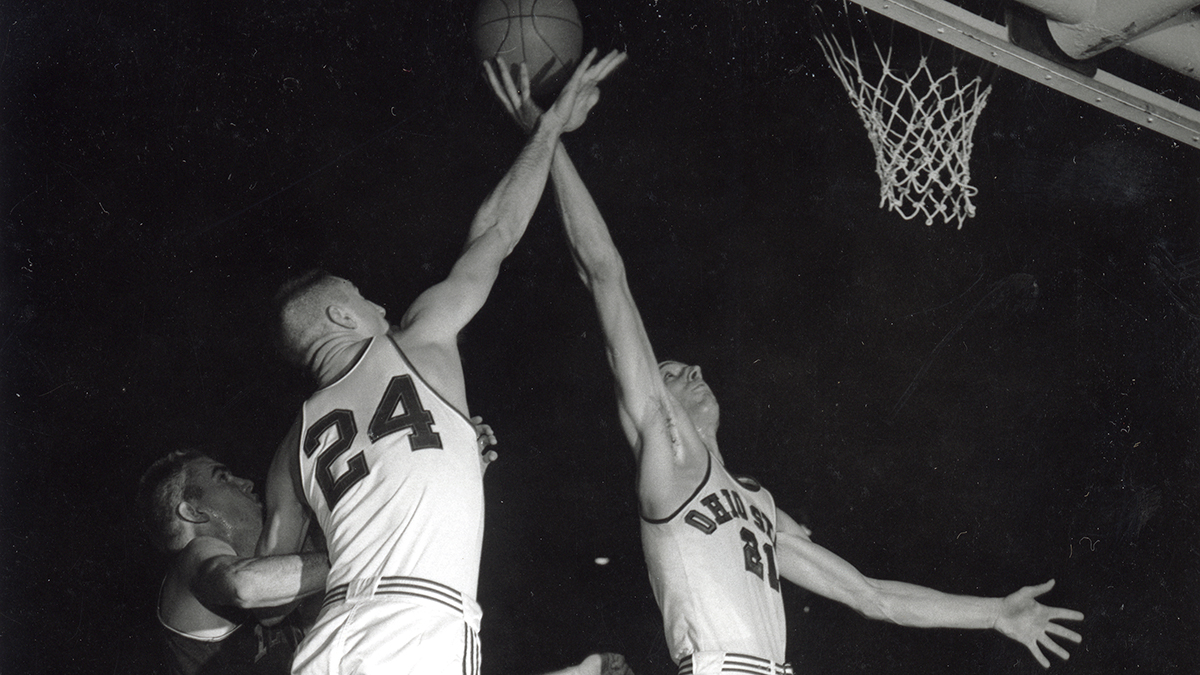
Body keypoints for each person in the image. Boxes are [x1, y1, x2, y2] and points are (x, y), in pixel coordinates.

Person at [485, 63, 1086, 675]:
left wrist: (994, 614)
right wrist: (549, 135)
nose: (691, 368)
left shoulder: (758, 506)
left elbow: (871, 596)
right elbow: (603, 269)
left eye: (689, 364)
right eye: (668, 370)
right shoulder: (668, 453)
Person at [256, 50, 631, 675]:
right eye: (363, 297)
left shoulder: (290, 444)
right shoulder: (415, 340)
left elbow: (267, 606)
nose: (379, 302)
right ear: (343, 319)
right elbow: (498, 234)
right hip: (417, 627)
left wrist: (360, 548)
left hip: (327, 646)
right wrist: (548, 127)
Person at [137, 450, 329, 675]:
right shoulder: (192, 557)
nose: (246, 483)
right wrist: (351, 558)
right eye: (223, 478)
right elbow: (243, 583)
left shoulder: (271, 584)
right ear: (192, 512)